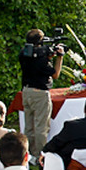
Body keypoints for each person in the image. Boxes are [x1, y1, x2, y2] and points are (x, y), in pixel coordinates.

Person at [19, 28, 65, 161]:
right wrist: (59, 57)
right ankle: (40, 156)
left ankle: (28, 154)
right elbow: (55, 74)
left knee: (29, 126)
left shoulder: (24, 53)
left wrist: (47, 54)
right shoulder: (40, 59)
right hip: (40, 93)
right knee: (41, 127)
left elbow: (35, 58)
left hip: (26, 91)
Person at [42, 95, 86, 169]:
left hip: (70, 166)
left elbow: (56, 143)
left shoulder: (72, 126)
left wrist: (44, 151)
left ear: (84, 110)